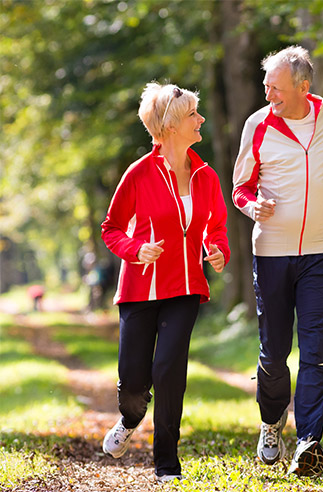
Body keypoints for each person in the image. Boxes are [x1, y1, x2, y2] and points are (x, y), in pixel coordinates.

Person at [232, 45, 323, 477]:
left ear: (303, 87)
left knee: (316, 351)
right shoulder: (257, 125)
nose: (268, 93)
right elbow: (240, 188)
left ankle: (309, 441)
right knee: (274, 354)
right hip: (271, 252)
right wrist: (253, 207)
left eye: (276, 87)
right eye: (266, 85)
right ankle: (272, 423)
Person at [100, 82, 230, 483]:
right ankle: (129, 417)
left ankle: (166, 465)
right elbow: (112, 228)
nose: (201, 119)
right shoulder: (139, 174)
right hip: (140, 290)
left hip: (186, 286)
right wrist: (136, 250)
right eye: (193, 114)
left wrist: (217, 250)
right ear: (172, 125)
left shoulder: (205, 175)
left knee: (169, 370)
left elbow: (217, 226)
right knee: (135, 385)